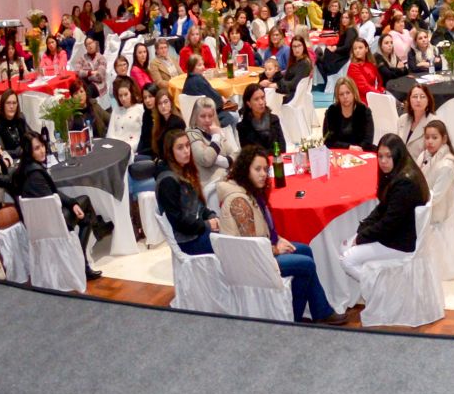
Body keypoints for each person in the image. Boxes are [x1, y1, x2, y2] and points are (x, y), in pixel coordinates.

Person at [218, 146, 346, 325]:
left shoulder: (248, 189)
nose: (263, 174)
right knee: (306, 264)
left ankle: (312, 312)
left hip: (259, 253)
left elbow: (262, 230)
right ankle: (302, 317)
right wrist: (276, 249)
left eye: (265, 169)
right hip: (248, 264)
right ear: (245, 169)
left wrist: (276, 239)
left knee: (305, 251)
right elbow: (251, 247)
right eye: (257, 169)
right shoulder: (239, 200)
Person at [13, 132, 105, 280]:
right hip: (52, 224)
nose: (42, 150)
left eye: (42, 146)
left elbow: (52, 193)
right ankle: (83, 264)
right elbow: (53, 198)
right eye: (36, 148)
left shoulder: (21, 171)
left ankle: (98, 228)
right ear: (29, 151)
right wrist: (72, 204)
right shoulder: (36, 174)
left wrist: (72, 203)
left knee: (80, 205)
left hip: (34, 225)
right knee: (86, 209)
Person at [341, 135, 429, 281]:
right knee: (346, 246)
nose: (383, 161)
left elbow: (389, 223)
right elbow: (382, 208)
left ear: (398, 154)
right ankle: (374, 286)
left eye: (388, 156)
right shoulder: (400, 172)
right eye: (380, 156)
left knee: (347, 259)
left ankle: (377, 288)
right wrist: (364, 226)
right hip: (398, 232)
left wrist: (362, 237)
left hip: (400, 241)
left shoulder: (404, 183)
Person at [155, 128, 218, 255]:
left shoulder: (185, 171)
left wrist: (212, 217)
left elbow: (199, 206)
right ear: (170, 152)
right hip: (188, 241)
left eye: (188, 145)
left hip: (197, 231)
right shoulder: (168, 181)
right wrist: (206, 225)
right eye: (180, 148)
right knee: (231, 243)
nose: (186, 151)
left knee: (232, 231)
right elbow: (179, 223)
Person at [415, 118, 454, 227]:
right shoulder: (423, 155)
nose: (430, 141)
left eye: (434, 138)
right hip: (424, 206)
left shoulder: (447, 165)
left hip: (437, 217)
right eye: (427, 137)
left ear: (444, 139)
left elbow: (435, 197)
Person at [187, 96, 231, 203]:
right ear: (195, 117)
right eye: (203, 116)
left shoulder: (215, 130)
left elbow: (235, 153)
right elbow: (206, 159)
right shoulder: (191, 134)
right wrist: (216, 138)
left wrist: (221, 160)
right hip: (210, 186)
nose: (207, 120)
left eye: (210, 116)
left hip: (226, 180)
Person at [322, 76, 374, 149]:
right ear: (337, 96)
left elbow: (368, 141)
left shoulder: (364, 111)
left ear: (354, 93)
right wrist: (348, 147)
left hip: (360, 152)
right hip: (338, 152)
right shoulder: (331, 111)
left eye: (348, 93)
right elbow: (328, 141)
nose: (345, 97)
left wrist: (356, 149)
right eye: (341, 94)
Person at [237, 81, 286, 154]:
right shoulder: (243, 127)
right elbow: (248, 153)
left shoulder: (274, 119)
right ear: (249, 104)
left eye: (263, 98)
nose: (261, 102)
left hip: (276, 158)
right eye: (256, 99)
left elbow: (282, 148)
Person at [0, 90, 34, 162]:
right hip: (9, 161)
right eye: (8, 103)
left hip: (25, 158)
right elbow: (1, 151)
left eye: (14, 103)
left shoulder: (20, 118)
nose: (11, 106)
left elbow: (32, 137)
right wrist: (20, 151)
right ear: (2, 105)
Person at [397, 83, 438, 154]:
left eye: (422, 97)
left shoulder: (434, 123)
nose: (418, 100)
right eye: (415, 96)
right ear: (409, 100)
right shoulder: (402, 119)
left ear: (428, 100)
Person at [106, 77, 144, 152]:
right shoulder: (116, 109)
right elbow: (110, 133)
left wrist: (127, 149)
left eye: (126, 94)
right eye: (120, 95)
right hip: (114, 148)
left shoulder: (140, 109)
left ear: (131, 93)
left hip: (131, 149)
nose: (123, 99)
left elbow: (141, 137)